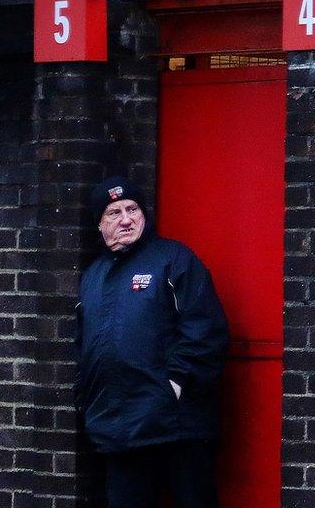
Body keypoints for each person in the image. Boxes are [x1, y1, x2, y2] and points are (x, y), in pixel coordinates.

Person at [76, 175, 230, 508]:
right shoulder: (92, 277)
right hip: (117, 428)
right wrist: (86, 399)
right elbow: (84, 346)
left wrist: (174, 385)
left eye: (132, 209)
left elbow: (205, 332)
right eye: (114, 213)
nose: (126, 219)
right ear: (99, 225)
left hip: (176, 427)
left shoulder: (173, 260)